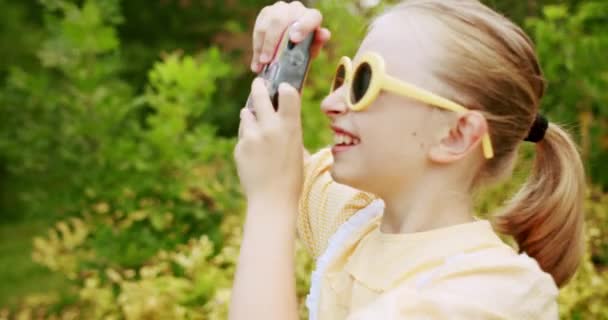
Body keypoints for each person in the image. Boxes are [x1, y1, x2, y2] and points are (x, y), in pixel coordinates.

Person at [230, 0, 586, 319]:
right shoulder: (354, 224)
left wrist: (270, 204)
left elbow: (275, 186)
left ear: (456, 134)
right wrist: (280, 62)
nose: (331, 103)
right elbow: (269, 156)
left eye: (364, 82)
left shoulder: (495, 293)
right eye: (344, 76)